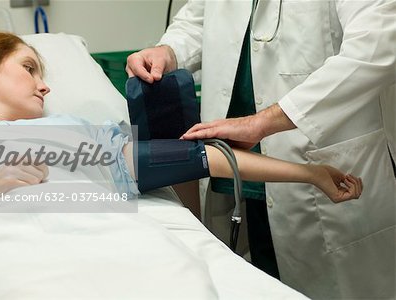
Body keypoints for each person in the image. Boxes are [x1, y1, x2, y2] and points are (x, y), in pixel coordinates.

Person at [0, 33, 362, 239]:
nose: (44, 85)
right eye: (28, 69)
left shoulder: (71, 132)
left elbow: (198, 157)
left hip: (103, 249)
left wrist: (310, 174)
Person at [125, 0, 396, 298]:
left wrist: (265, 122)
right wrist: (167, 51)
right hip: (237, 172)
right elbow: (198, 20)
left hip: (319, 160)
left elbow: (378, 44)